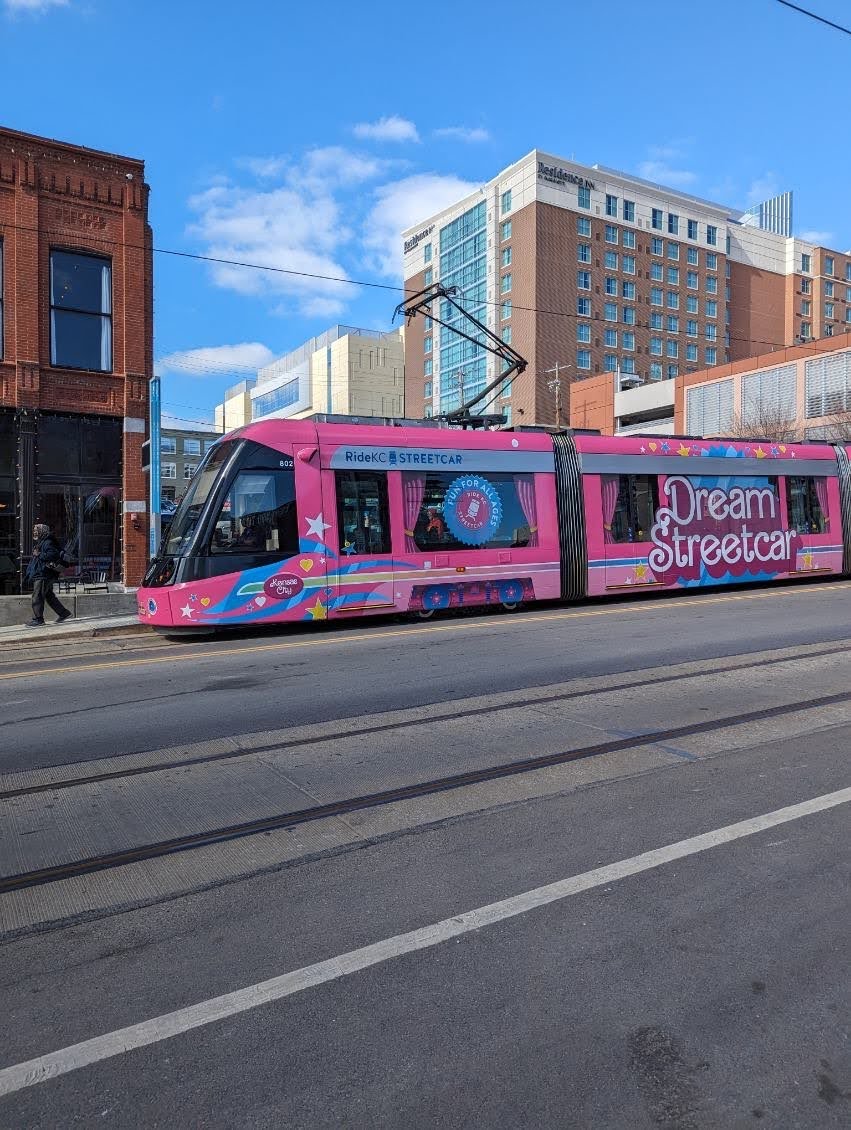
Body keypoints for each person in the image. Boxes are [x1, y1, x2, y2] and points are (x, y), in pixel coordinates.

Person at [25, 523, 72, 627]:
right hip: (43, 573)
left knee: (37, 596)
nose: (34, 532)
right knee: (48, 595)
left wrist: (39, 554)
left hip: (43, 574)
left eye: (36, 531)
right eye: (34, 531)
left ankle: (38, 619)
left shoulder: (48, 542)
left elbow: (52, 555)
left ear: (42, 532)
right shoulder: (43, 542)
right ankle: (63, 613)